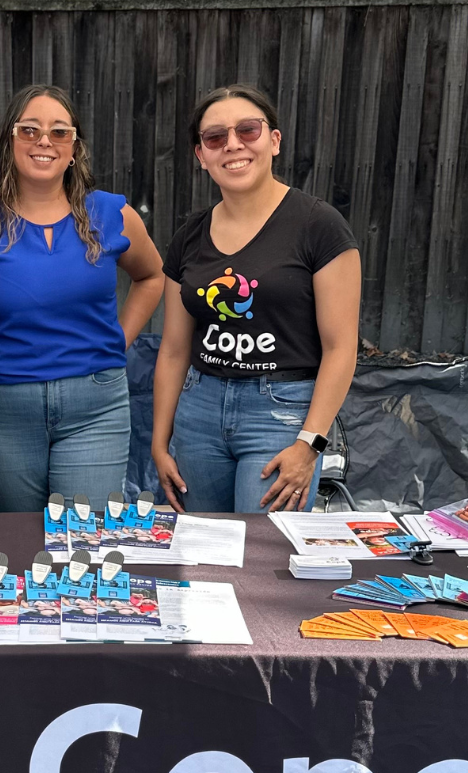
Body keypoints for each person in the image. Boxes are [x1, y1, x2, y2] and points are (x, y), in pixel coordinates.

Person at [0, 84, 165, 513]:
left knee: (84, 538)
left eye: (59, 132)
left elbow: (152, 276)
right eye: (29, 130)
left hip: (95, 410)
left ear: (74, 147)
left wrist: (118, 340)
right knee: (22, 537)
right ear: (9, 141)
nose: (44, 141)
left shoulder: (111, 215)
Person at [152, 85, 361, 514]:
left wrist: (310, 444)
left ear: (274, 140)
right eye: (215, 137)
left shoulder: (319, 226)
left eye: (247, 130)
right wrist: (159, 443)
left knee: (263, 549)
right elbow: (173, 350)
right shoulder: (189, 236)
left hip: (281, 414)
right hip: (199, 413)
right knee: (205, 546)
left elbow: (341, 348)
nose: (232, 144)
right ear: (201, 155)